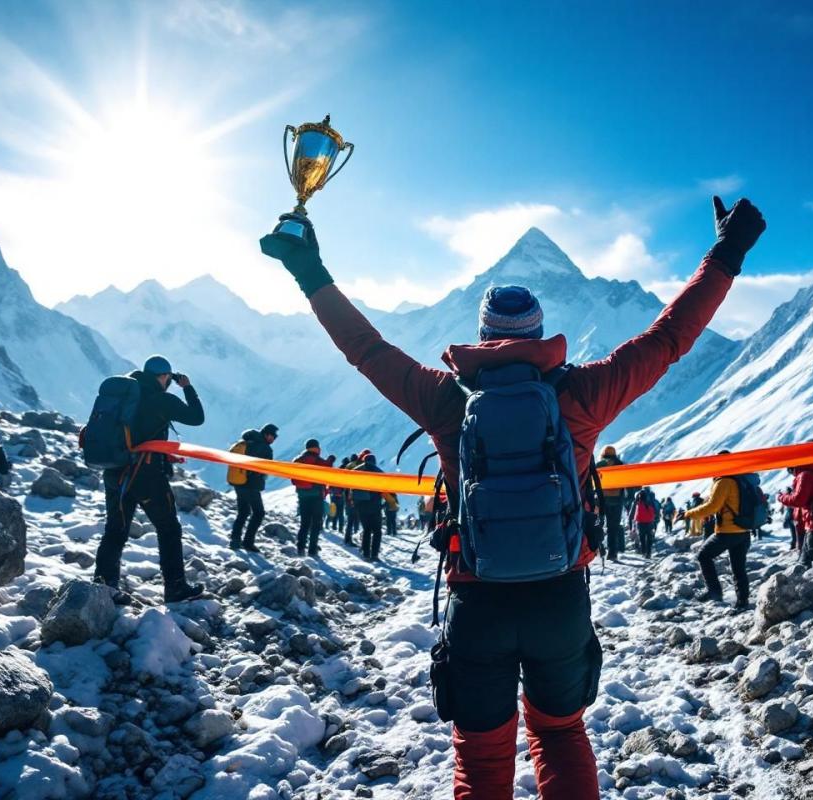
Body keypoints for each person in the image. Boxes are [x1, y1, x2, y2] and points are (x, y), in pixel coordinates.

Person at [262, 193, 764, 798]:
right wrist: (726, 252)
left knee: (480, 757)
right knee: (559, 737)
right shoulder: (582, 394)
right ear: (538, 333)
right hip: (559, 598)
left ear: (482, 337)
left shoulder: (446, 400)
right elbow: (670, 338)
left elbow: (365, 350)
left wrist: (307, 269)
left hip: (478, 600)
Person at [93, 355, 205, 604]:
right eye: (168, 377)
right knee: (168, 528)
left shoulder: (123, 396)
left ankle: (103, 587)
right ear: (164, 377)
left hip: (115, 471)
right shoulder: (162, 400)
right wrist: (187, 387)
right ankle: (175, 588)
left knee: (115, 530)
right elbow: (197, 418)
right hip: (146, 475)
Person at [685, 468, 752, 610]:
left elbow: (712, 507)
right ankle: (742, 602)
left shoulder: (723, 481)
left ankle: (714, 591)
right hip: (744, 531)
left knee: (703, 556)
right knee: (738, 568)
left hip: (728, 531)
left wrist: (688, 514)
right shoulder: (740, 479)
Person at [229, 424, 278, 553]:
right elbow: (266, 467)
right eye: (273, 436)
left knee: (243, 512)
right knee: (259, 513)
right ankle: (248, 542)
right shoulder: (265, 448)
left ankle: (235, 540)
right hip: (251, 484)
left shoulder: (246, 443)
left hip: (238, 481)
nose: (274, 439)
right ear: (267, 434)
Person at [291, 438, 336, 556]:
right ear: (316, 448)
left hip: (302, 496)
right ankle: (312, 549)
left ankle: (300, 547)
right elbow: (328, 469)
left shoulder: (298, 460)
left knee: (304, 523)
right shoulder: (317, 460)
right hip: (316, 496)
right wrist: (331, 459)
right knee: (316, 524)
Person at [596, 446, 628, 560]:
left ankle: (599, 549)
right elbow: (627, 482)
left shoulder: (599, 465)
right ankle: (612, 553)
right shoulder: (621, 465)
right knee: (612, 528)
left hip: (601, 501)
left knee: (597, 525)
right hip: (616, 502)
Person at [352, 453, 385, 561]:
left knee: (366, 530)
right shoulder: (379, 472)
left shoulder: (355, 471)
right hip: (375, 506)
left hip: (361, 506)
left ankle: (366, 553)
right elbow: (385, 487)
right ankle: (374, 554)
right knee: (377, 531)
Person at [630, 486, 659, 558]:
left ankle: (644, 552)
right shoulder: (651, 501)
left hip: (640, 522)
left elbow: (632, 512)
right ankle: (648, 553)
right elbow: (655, 510)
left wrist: (631, 523)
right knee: (649, 538)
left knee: (642, 538)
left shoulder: (637, 501)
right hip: (650, 522)